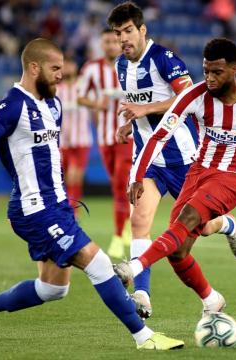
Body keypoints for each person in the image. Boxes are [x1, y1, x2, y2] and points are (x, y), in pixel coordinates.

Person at [0, 38, 184, 351]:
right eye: (55, 68)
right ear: (34, 68)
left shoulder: (54, 104)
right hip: (35, 210)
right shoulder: (13, 104)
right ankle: (145, 336)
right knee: (98, 264)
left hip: (56, 206)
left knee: (52, 289)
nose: (62, 74)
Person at [107, 1, 236, 320]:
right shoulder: (121, 66)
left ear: (142, 30)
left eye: (128, 31)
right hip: (149, 158)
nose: (123, 38)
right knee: (139, 222)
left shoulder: (164, 59)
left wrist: (147, 109)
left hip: (184, 158)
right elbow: (136, 106)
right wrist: (130, 123)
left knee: (203, 227)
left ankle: (227, 223)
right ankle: (141, 295)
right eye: (118, 33)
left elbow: (190, 97)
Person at [77, 28, 132, 257]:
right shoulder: (91, 68)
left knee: (120, 184)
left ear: (120, 43)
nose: (110, 45)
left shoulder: (131, 66)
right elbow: (79, 95)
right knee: (117, 185)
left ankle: (119, 236)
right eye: (106, 41)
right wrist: (94, 104)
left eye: (113, 41)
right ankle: (127, 221)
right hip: (103, 136)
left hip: (127, 136)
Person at [57, 58, 92, 215]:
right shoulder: (57, 89)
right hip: (64, 140)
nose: (68, 67)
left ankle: (72, 211)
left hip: (81, 139)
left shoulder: (83, 86)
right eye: (65, 65)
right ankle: (68, 210)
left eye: (71, 63)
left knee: (75, 176)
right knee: (66, 177)